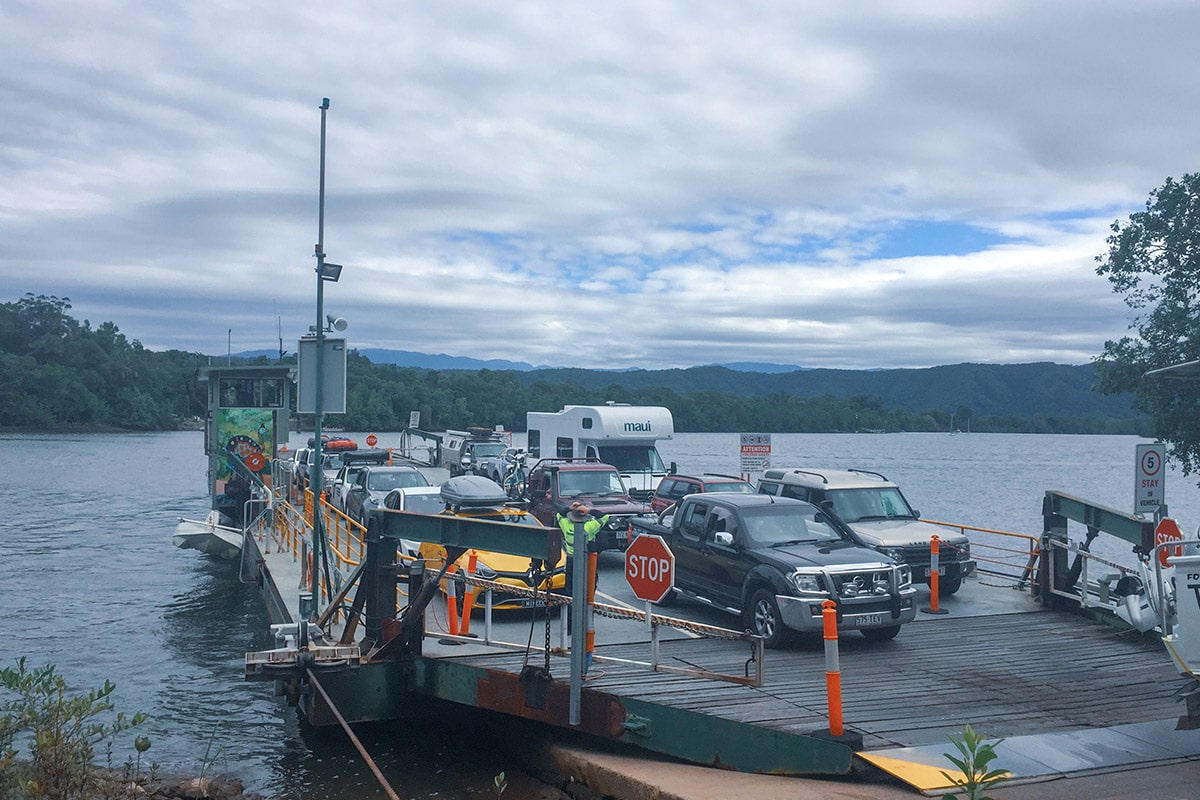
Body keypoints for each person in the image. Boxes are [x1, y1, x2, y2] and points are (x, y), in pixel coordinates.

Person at [556, 501, 609, 634]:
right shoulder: (589, 527)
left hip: (571, 562)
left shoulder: (565, 525)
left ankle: (569, 627)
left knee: (569, 594)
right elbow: (605, 517)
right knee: (588, 595)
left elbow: (558, 514)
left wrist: (570, 507)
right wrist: (589, 510)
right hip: (587, 563)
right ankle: (587, 626)